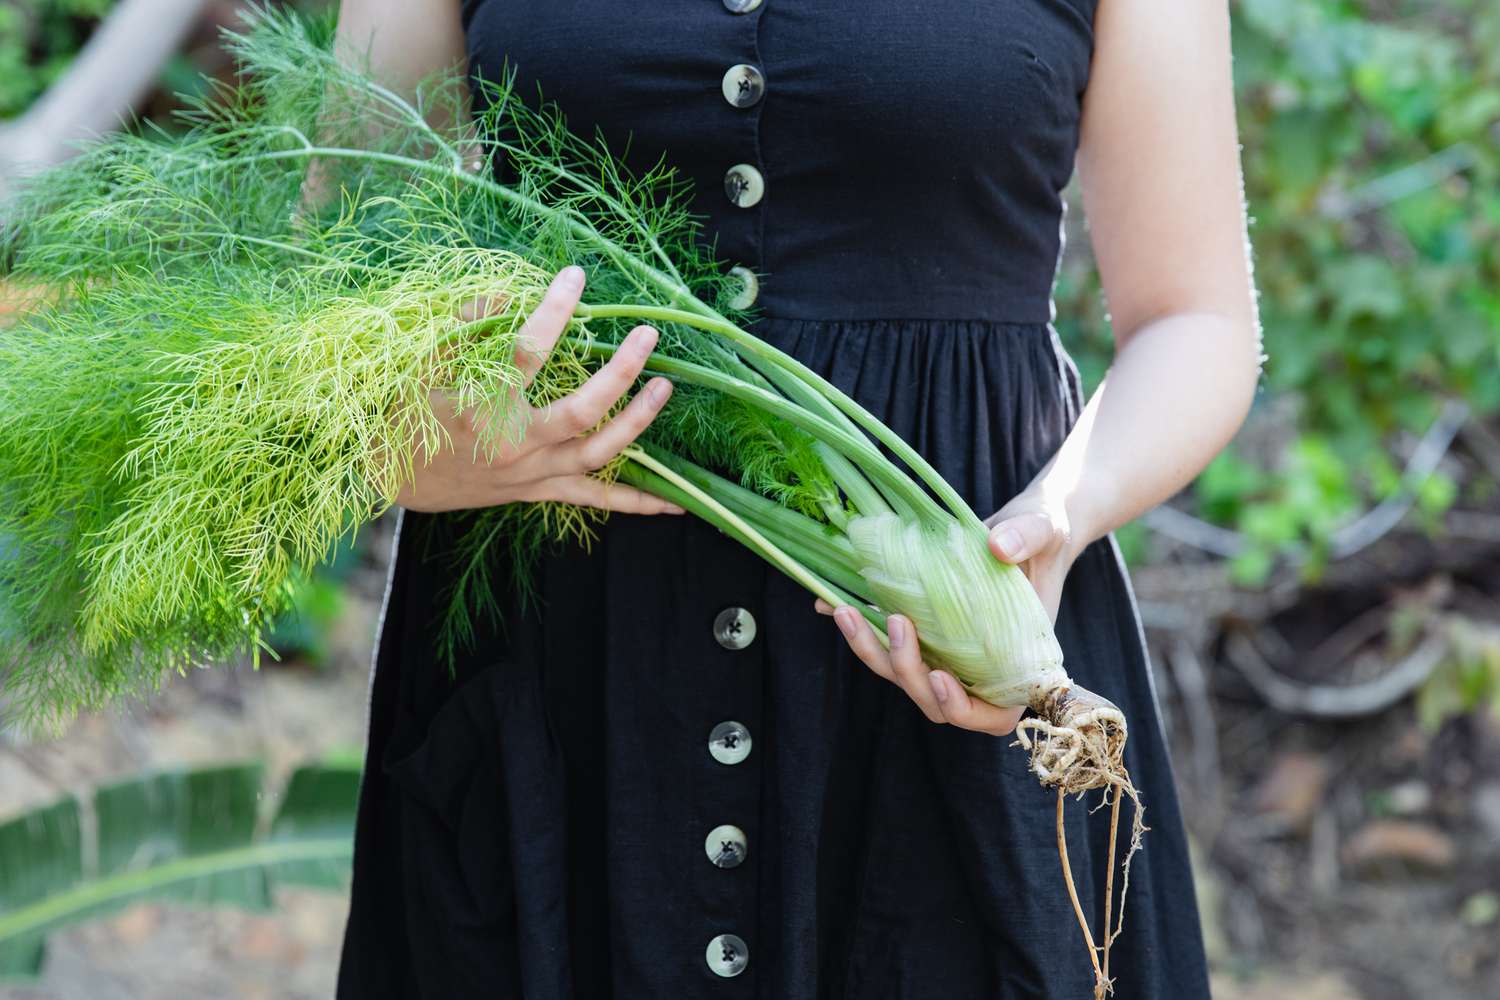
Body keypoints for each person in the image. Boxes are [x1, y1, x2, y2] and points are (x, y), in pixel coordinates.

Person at [334, 0, 1261, 996]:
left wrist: (1061, 514)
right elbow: (333, 281)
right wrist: (412, 449)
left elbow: (1194, 316)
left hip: (953, 670)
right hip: (561, 679)